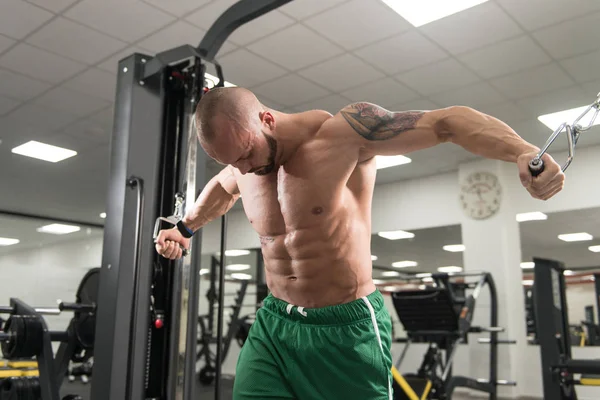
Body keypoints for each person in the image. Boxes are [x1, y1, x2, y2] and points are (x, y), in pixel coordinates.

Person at [155, 87, 565, 399]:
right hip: (275, 324)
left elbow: (448, 123)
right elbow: (222, 189)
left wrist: (524, 152)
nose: (244, 168)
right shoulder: (241, 163)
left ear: (266, 119)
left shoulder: (344, 135)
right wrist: (185, 227)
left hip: (346, 328)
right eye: (233, 162)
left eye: (245, 154)